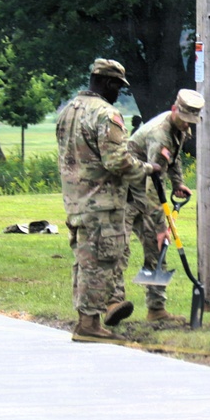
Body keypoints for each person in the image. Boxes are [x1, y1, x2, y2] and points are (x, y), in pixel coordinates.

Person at [56, 58, 160, 343]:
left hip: (75, 201)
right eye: (118, 86)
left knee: (83, 262)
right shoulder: (106, 114)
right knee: (100, 262)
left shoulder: (68, 111)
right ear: (107, 82)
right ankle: (89, 324)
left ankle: (85, 318)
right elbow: (117, 161)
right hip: (102, 203)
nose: (119, 93)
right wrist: (148, 169)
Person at [125, 89, 205, 323]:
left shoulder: (178, 127)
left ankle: (156, 309)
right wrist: (161, 226)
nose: (187, 125)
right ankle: (111, 303)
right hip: (128, 193)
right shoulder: (160, 134)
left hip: (145, 189)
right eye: (184, 120)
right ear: (174, 110)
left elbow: (174, 157)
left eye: (191, 121)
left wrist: (178, 183)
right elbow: (153, 183)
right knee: (120, 248)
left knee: (156, 249)